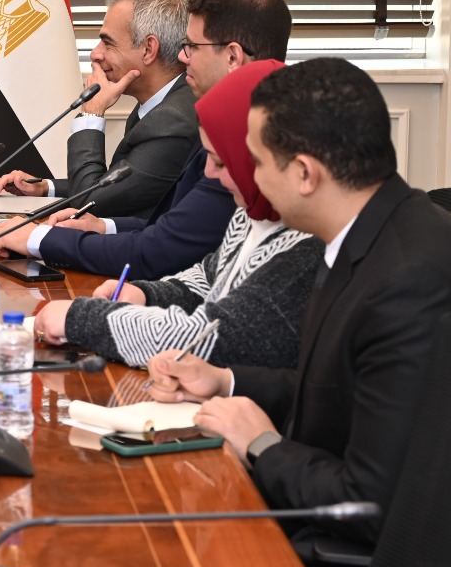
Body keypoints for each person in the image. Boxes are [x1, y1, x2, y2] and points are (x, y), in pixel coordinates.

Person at [146, 58, 451, 544]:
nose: (242, 176)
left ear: (304, 173)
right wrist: (225, 381)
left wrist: (262, 445)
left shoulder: (406, 284)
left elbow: (369, 504)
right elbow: (337, 389)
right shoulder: (371, 229)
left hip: (387, 561)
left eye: (256, 162)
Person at [0, 0, 292, 278]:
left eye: (191, 46)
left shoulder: (240, 139)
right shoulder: (226, 119)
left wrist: (38, 239)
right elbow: (173, 222)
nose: (182, 56)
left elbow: (159, 249)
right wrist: (102, 225)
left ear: (232, 56)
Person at [30, 60, 321, 370]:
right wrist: (145, 294)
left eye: (222, 162)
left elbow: (213, 341)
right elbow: (208, 277)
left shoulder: (306, 248)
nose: (209, 173)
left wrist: (81, 319)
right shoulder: (252, 213)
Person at [0, 0, 196, 219]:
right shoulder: (162, 103)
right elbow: (118, 187)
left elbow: (92, 202)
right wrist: (46, 187)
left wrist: (91, 113)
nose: (95, 53)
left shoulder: (172, 119)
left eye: (108, 43)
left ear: (148, 49)